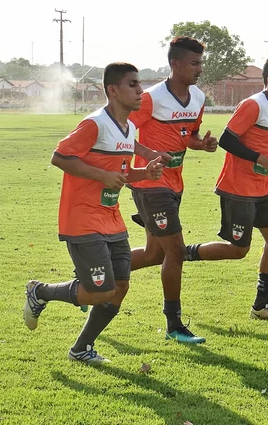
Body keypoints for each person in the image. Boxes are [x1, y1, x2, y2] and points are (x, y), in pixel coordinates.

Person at [22, 62, 164, 363]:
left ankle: (81, 349)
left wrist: (145, 173)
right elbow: (59, 157)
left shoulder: (129, 128)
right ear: (113, 90)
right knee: (99, 293)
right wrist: (101, 176)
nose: (140, 91)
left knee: (120, 287)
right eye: (132, 85)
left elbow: (121, 174)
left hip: (112, 219)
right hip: (82, 219)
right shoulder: (94, 124)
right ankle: (40, 292)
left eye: (140, 84)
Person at [184, 55, 268, 321]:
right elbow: (227, 139)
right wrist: (262, 159)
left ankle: (261, 306)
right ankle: (183, 253)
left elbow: (261, 148)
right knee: (238, 250)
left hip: (262, 187)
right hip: (238, 188)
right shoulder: (253, 105)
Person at [126, 37, 218, 344]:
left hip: (176, 181)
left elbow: (188, 136)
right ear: (175, 64)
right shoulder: (151, 99)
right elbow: (120, 131)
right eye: (194, 63)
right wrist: (149, 152)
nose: (199, 69)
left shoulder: (198, 98)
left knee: (155, 253)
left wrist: (201, 144)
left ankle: (90, 279)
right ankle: (174, 325)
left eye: (201, 63)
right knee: (176, 251)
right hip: (150, 182)